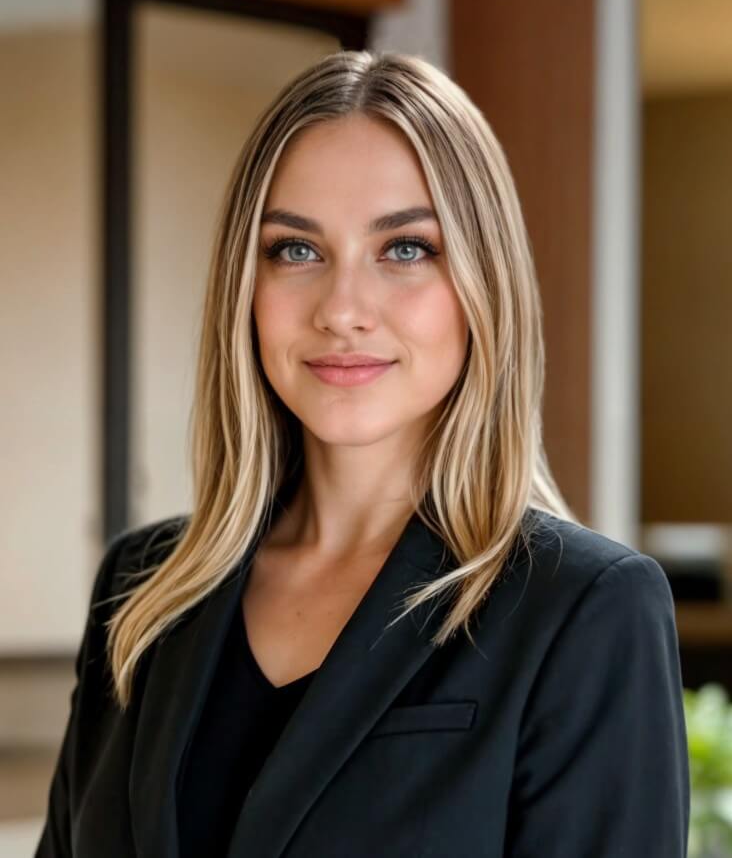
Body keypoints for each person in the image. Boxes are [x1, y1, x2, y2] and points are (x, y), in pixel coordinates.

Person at [35, 49, 689, 858]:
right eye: (295, 251)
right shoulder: (143, 592)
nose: (343, 310)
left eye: (406, 248)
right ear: (246, 285)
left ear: (484, 283)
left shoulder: (585, 611)